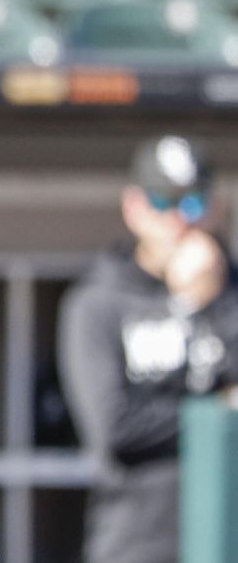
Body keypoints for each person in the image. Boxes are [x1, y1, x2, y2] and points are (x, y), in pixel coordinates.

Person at [58, 134, 238, 563]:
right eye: (162, 203)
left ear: (215, 208)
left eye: (191, 204)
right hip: (137, 545)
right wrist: (218, 412)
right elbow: (114, 430)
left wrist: (208, 303)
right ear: (134, 208)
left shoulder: (230, 296)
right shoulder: (98, 303)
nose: (177, 219)